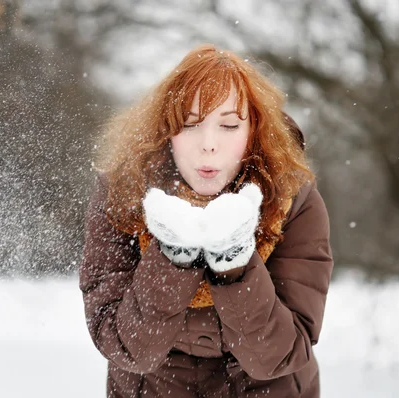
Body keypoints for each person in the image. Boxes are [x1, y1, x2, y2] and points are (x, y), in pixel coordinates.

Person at [79, 44, 334, 398]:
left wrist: (235, 261)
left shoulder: (292, 200)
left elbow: (279, 356)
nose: (208, 144)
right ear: (166, 130)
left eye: (229, 125)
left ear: (254, 131)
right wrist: (173, 254)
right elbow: (126, 348)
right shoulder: (123, 194)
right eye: (190, 124)